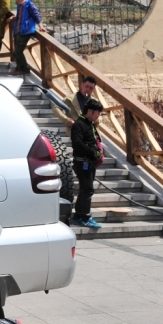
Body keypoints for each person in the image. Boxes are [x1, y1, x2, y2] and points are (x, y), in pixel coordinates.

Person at [70, 98, 104, 229]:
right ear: (90, 111)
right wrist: (92, 152)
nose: (98, 116)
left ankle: (79, 215)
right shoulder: (79, 124)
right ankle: (84, 216)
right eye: (97, 113)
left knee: (85, 189)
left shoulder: (89, 124)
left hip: (89, 162)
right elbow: (78, 144)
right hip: (82, 162)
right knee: (87, 189)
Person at [12, 0, 42, 75]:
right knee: (16, 50)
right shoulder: (19, 6)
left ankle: (25, 69)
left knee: (18, 51)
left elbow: (36, 14)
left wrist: (40, 25)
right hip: (18, 30)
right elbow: (20, 17)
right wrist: (14, 18)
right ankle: (18, 68)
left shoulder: (29, 4)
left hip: (26, 31)